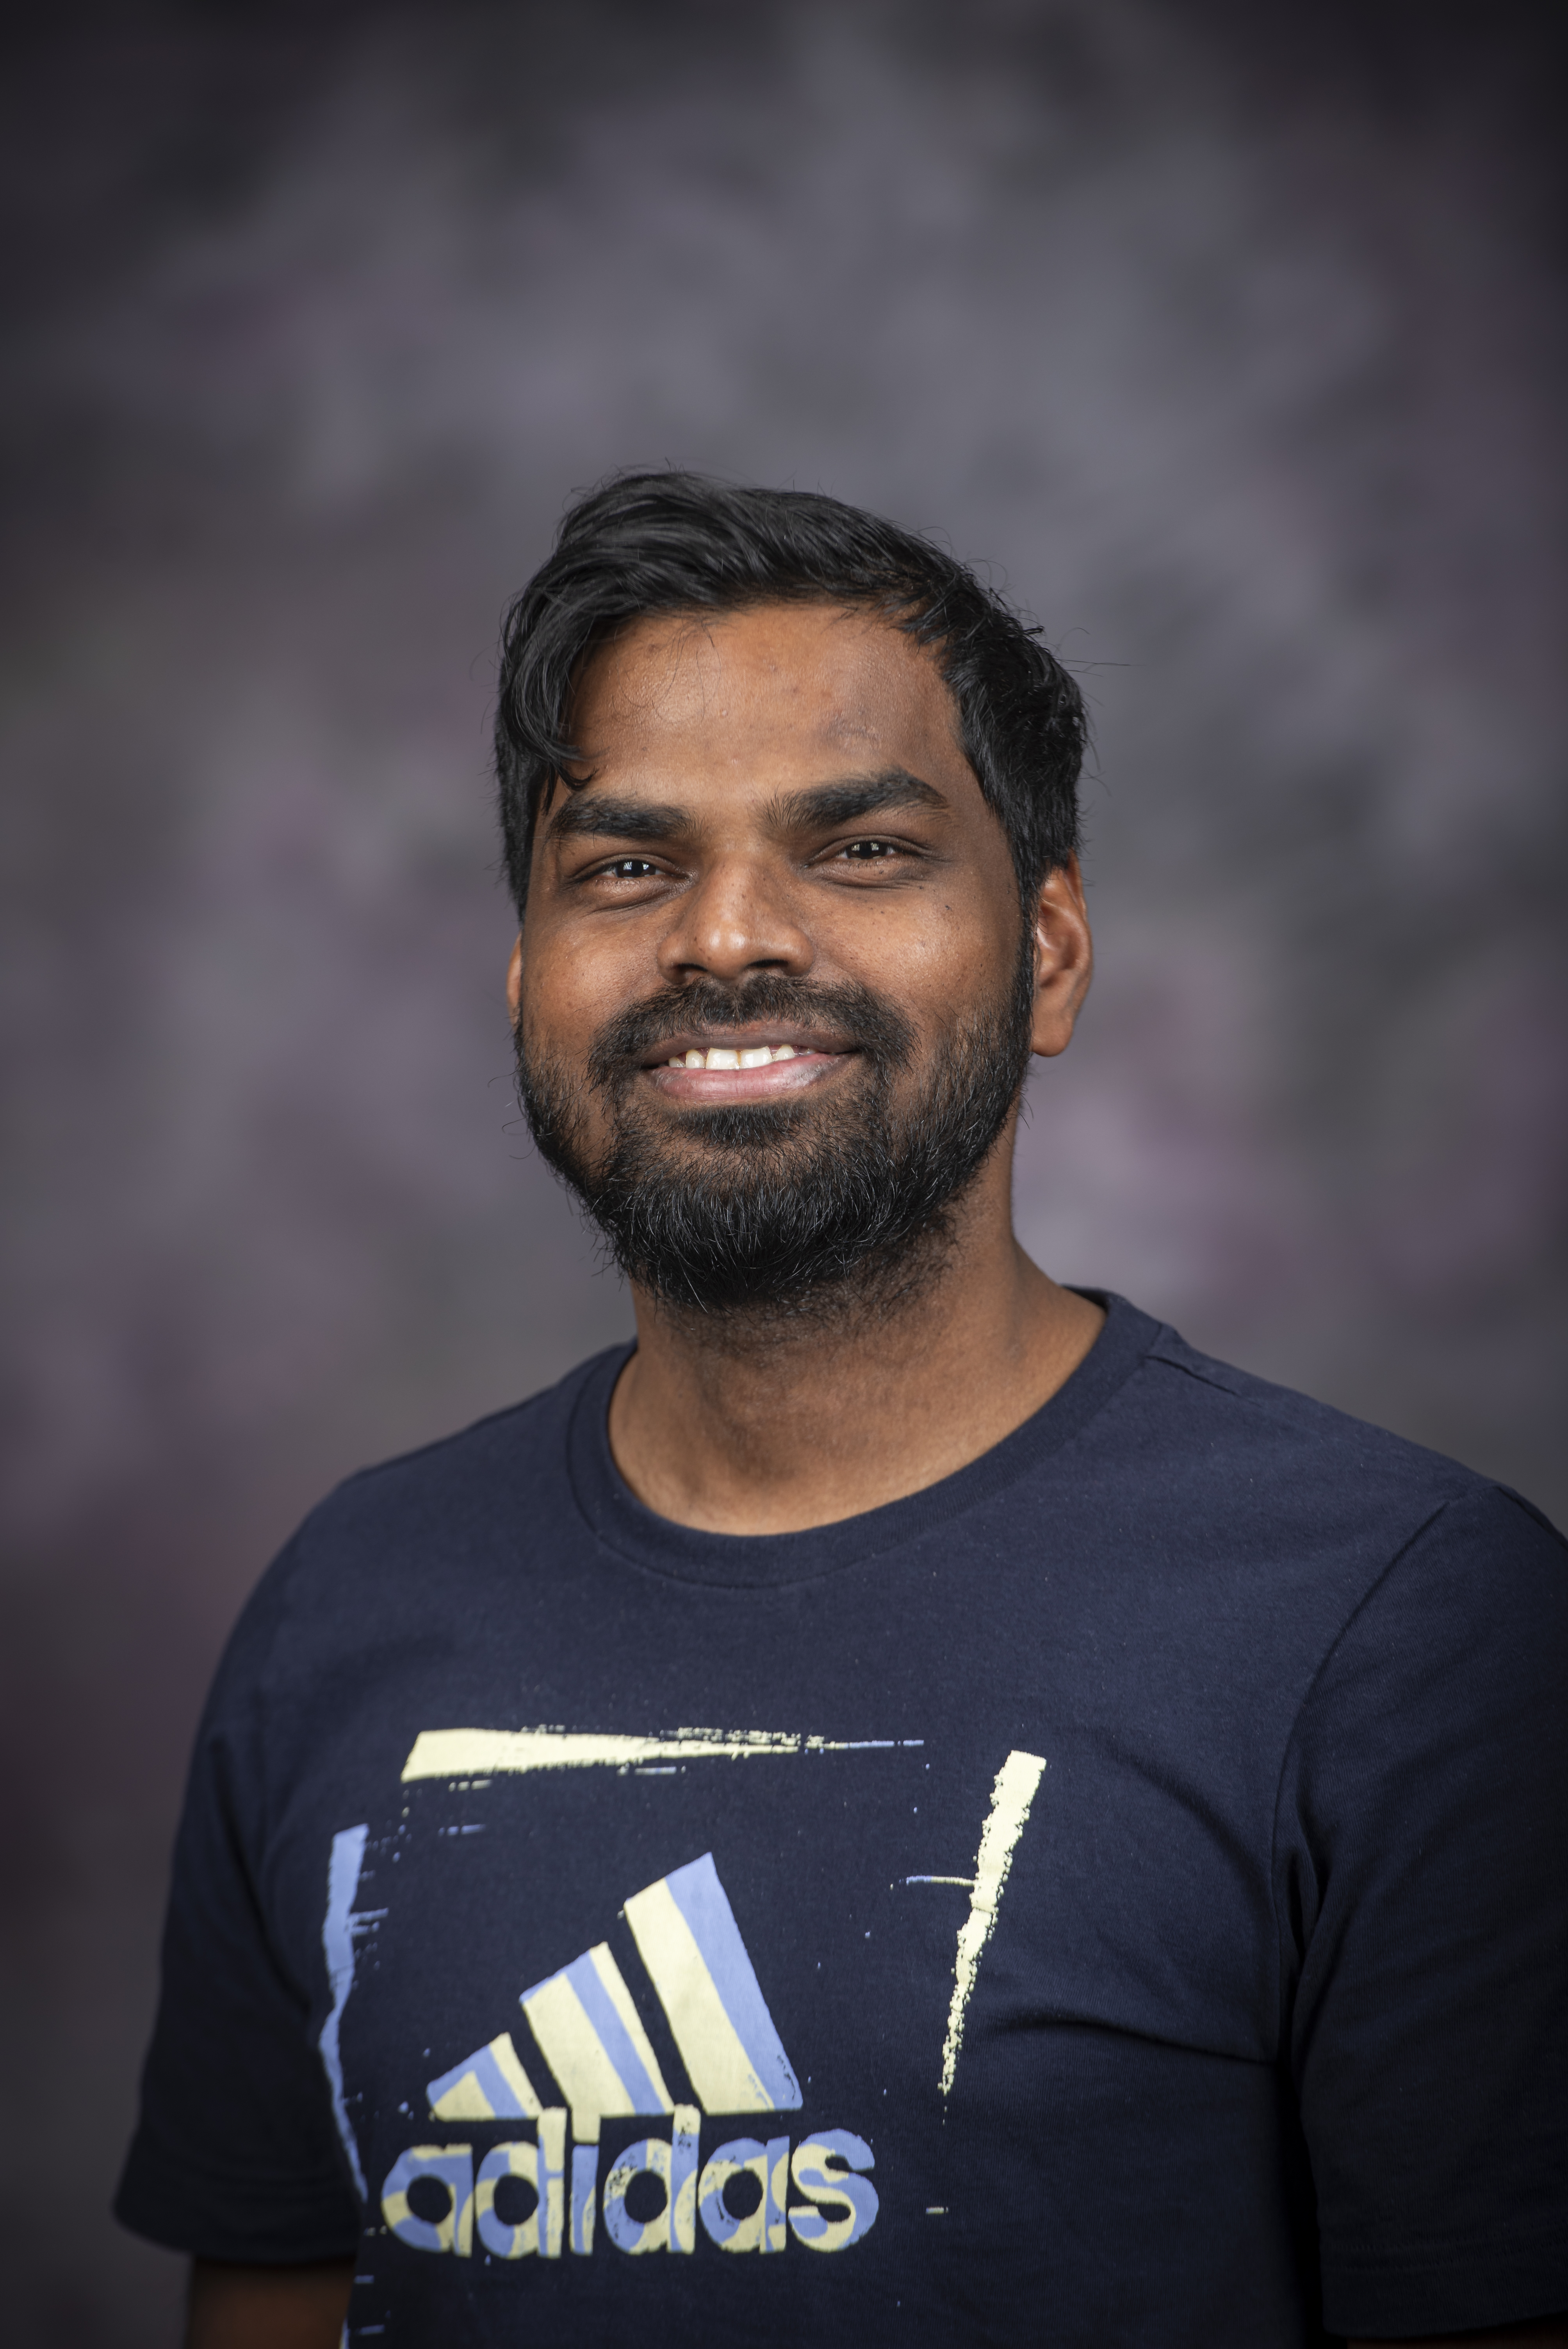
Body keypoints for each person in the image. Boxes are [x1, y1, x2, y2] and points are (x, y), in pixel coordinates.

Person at [116, 474, 1567, 2349]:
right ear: (526, 979)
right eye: (625, 866)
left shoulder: (1405, 1626)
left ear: (1044, 955)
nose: (725, 936)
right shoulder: (342, 1612)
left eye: (860, 848)